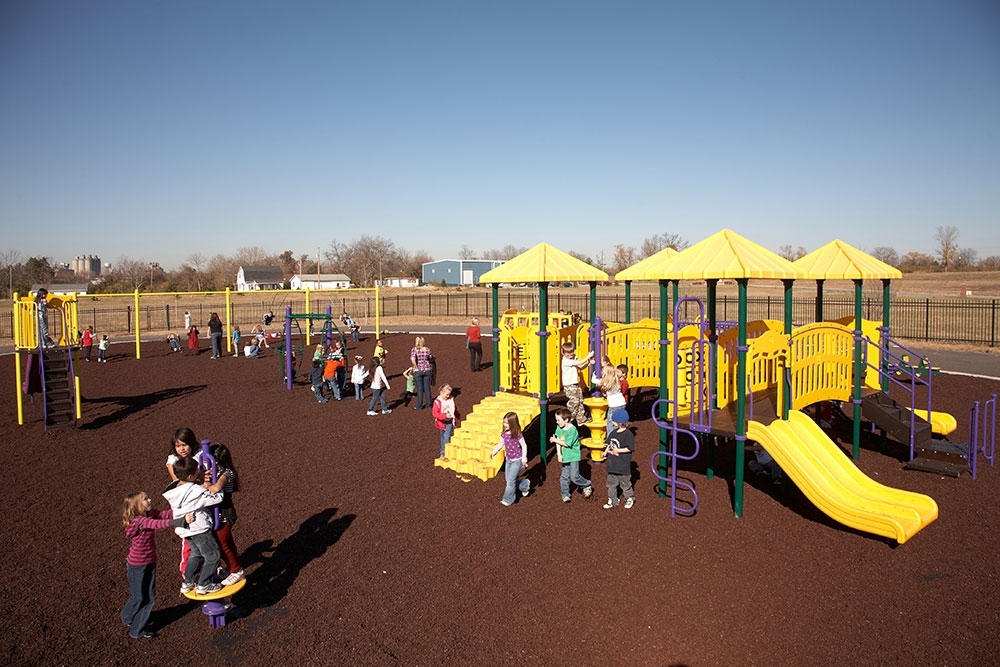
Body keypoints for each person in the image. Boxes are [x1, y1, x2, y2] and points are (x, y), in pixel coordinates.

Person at [120, 492, 192, 639]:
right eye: (145, 499)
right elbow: (158, 524)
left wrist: (181, 511)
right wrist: (180, 521)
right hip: (137, 566)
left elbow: (165, 514)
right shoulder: (139, 521)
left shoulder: (149, 513)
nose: (150, 500)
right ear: (137, 506)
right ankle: (136, 630)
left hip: (149, 563)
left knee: (144, 596)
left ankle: (128, 617)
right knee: (142, 598)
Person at [163, 457, 224, 595]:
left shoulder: (175, 489)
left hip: (185, 529)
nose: (200, 471)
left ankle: (188, 582)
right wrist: (216, 486)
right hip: (199, 528)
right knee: (213, 555)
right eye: (198, 470)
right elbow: (215, 498)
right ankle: (204, 584)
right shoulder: (194, 491)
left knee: (196, 554)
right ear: (191, 476)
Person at [206, 443, 244, 586]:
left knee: (221, 544)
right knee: (228, 542)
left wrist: (205, 485)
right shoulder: (215, 472)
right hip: (218, 513)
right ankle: (233, 566)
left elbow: (215, 488)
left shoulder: (227, 473)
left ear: (217, 460)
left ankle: (236, 570)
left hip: (225, 514)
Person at [550, 407, 593, 503]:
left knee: (574, 476)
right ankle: (565, 494)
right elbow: (557, 441)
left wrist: (555, 440)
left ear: (566, 420)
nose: (557, 422)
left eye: (558, 420)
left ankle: (586, 484)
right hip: (565, 456)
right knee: (564, 476)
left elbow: (566, 443)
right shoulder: (559, 428)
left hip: (573, 456)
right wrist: (559, 454)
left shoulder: (573, 430)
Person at [489, 411, 531, 506]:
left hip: (517, 460)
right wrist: (494, 452)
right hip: (508, 460)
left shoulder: (517, 434)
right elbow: (501, 444)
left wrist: (524, 459)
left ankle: (508, 499)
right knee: (509, 479)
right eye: (504, 422)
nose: (505, 425)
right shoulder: (504, 434)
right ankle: (524, 484)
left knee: (510, 482)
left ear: (513, 423)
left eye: (507, 423)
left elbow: (524, 446)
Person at [603, 409, 636, 509]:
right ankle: (612, 499)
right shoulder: (613, 432)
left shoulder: (628, 434)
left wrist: (618, 451)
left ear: (620, 422)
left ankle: (629, 498)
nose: (612, 422)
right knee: (611, 484)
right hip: (612, 465)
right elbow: (609, 443)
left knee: (625, 484)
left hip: (623, 466)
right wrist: (605, 451)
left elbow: (629, 448)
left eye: (613, 421)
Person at [561, 342, 594, 424]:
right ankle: (568, 419)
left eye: (571, 354)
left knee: (580, 401)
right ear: (563, 353)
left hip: (575, 383)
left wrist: (589, 364)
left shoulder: (573, 358)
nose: (570, 356)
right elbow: (578, 363)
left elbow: (581, 366)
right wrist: (588, 356)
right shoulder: (565, 360)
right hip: (569, 385)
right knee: (574, 401)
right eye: (567, 354)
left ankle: (581, 419)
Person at [432, 384, 457, 458]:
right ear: (441, 392)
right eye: (446, 394)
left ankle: (447, 453)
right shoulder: (437, 402)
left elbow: (454, 408)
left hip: (449, 421)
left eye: (449, 394)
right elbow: (435, 413)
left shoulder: (450, 400)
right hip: (441, 422)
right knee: (442, 437)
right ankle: (442, 452)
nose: (448, 396)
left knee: (446, 437)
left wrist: (456, 414)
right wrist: (445, 415)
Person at [410, 336, 433, 410]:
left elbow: (413, 359)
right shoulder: (427, 349)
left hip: (418, 370)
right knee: (427, 388)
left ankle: (419, 405)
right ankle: (429, 404)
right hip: (427, 369)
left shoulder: (414, 349)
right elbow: (430, 358)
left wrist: (416, 367)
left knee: (419, 389)